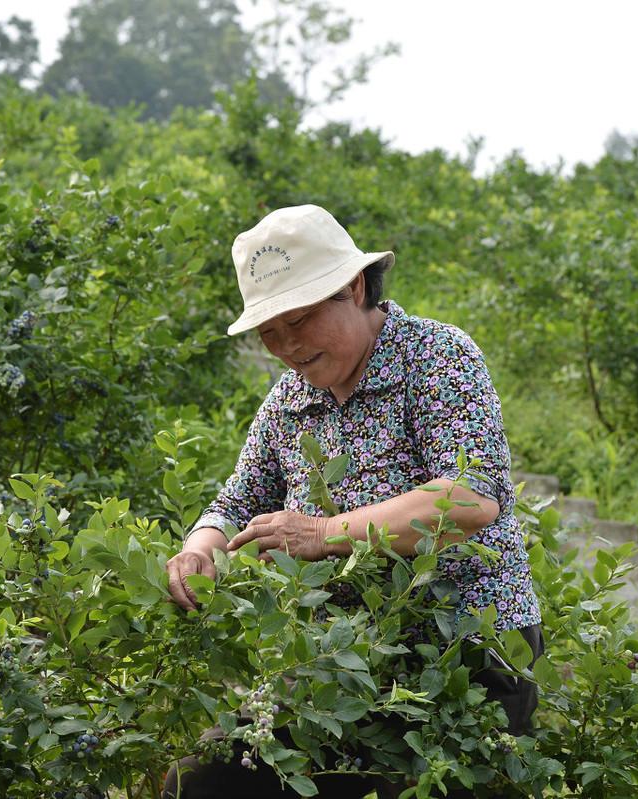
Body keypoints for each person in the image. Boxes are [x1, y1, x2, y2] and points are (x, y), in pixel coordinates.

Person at [162, 205, 543, 798]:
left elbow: (469, 499)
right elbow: (237, 498)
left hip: (463, 652)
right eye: (270, 332)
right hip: (339, 660)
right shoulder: (289, 400)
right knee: (204, 784)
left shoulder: (438, 357)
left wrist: (321, 534)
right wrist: (199, 548)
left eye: (300, 320)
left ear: (354, 287)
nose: (286, 346)